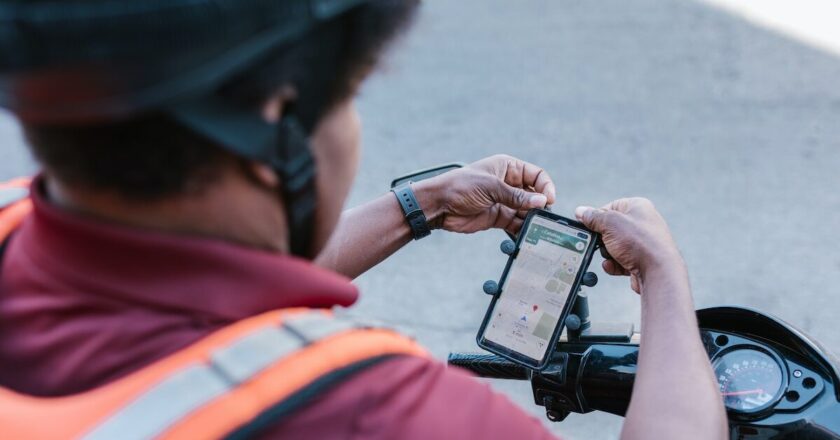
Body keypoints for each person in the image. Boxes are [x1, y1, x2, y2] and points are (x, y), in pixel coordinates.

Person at [0, 0, 726, 438]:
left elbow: (197, 299)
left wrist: (423, 205)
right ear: (272, 134)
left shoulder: (12, 222)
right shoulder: (378, 415)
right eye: (347, 99)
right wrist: (664, 277)